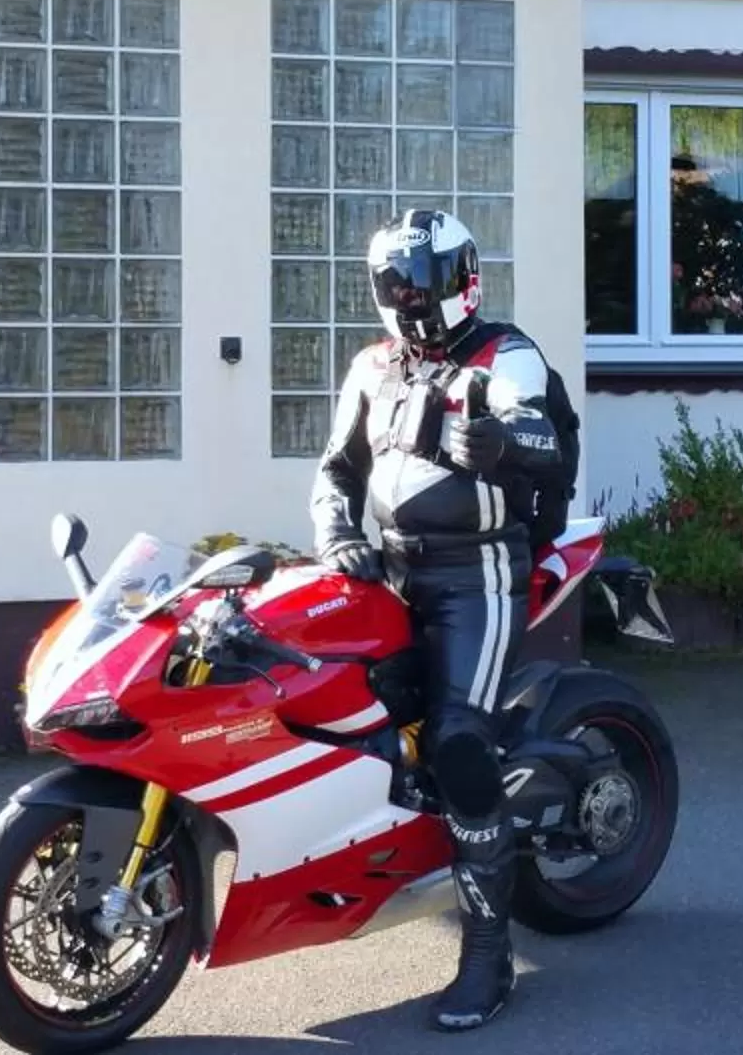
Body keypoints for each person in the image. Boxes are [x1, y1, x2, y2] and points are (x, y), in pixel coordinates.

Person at [310, 208, 567, 1033]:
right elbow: (335, 469)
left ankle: (488, 953)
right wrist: (338, 534)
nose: (414, 299)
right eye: (398, 284)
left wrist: (500, 441)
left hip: (478, 573)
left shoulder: (503, 353)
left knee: (456, 740)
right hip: (386, 570)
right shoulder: (372, 366)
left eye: (427, 280)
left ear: (465, 276)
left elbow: (541, 429)